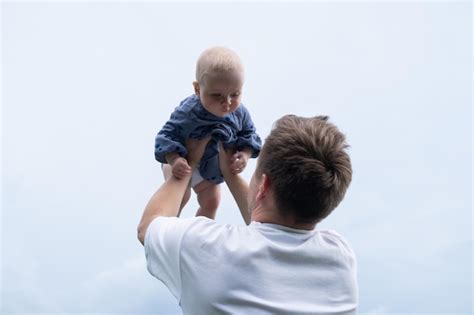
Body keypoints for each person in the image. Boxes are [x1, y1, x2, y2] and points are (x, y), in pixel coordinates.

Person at [138, 115, 358, 314]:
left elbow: (149, 227)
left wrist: (188, 165)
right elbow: (270, 234)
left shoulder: (204, 246)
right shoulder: (340, 259)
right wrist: (230, 175)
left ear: (263, 185)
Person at [154, 46, 261, 219]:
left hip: (209, 168)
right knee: (182, 195)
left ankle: (201, 233)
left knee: (213, 200)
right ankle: (169, 227)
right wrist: (174, 159)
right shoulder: (188, 112)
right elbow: (166, 136)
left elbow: (249, 135)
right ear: (197, 89)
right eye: (217, 95)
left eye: (235, 94)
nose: (227, 102)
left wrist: (245, 155)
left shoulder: (240, 113)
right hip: (182, 160)